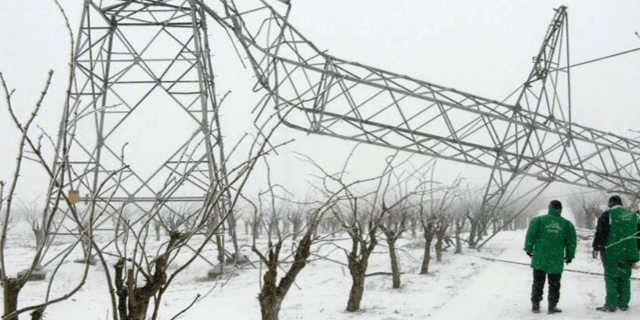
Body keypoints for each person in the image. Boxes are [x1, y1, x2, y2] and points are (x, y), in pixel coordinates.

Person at [524, 200, 577, 314]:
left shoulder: (538, 221)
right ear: (560, 209)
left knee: (538, 282)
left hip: (540, 257)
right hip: (556, 259)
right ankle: (552, 306)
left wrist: (528, 248)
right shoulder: (566, 224)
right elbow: (571, 242)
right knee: (554, 284)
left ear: (549, 208)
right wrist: (569, 256)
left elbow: (531, 235)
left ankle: (535, 305)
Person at [592, 195, 640, 312]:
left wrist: (596, 248)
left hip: (612, 252)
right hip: (628, 253)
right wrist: (636, 250)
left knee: (612, 278)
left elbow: (600, 233)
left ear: (610, 204)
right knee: (625, 278)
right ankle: (623, 303)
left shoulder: (607, 215)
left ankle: (610, 305)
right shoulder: (633, 216)